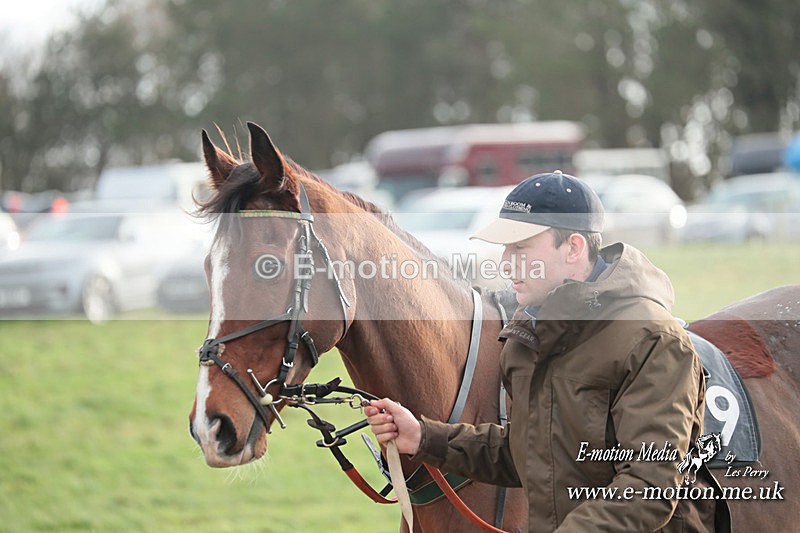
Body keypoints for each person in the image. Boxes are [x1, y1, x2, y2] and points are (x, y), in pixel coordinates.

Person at [366, 171, 728, 532]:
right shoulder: (529, 334)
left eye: (520, 249)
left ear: (573, 248)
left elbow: (648, 488)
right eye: (506, 249)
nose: (505, 263)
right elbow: (529, 452)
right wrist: (424, 438)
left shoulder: (654, 342)